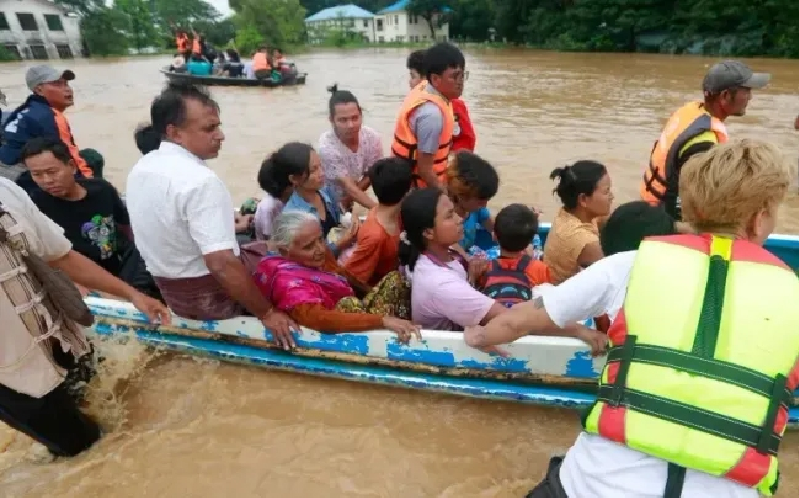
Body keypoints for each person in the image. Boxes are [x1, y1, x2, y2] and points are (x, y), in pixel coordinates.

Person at [466, 139, 798, 498]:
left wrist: (477, 337)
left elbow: (518, 321)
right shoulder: (791, 293)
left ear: (694, 209)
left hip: (594, 487)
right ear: (760, 216)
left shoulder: (632, 264)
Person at [0, 176, 168, 458]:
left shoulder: (7, 191)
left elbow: (62, 256)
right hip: (13, 379)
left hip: (64, 340)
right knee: (82, 449)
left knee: (112, 400)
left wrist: (132, 294)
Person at [125, 82, 297, 349]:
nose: (221, 135)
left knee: (263, 247)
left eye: (218, 125)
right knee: (289, 258)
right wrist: (268, 314)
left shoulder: (141, 168)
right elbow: (220, 263)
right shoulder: (201, 180)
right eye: (209, 128)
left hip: (172, 291)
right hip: (209, 297)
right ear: (175, 133)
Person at [20, 137, 160, 299]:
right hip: (87, 280)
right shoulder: (35, 206)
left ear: (72, 166)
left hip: (122, 266)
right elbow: (41, 257)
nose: (47, 181)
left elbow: (128, 227)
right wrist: (74, 283)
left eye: (52, 172)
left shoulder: (102, 189)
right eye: (37, 175)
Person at [254, 211, 420, 342]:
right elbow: (322, 320)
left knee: (395, 279)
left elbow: (342, 274)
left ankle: (405, 325)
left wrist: (370, 292)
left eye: (320, 239)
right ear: (284, 251)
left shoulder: (317, 254)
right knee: (349, 303)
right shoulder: (289, 286)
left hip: (354, 308)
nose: (320, 249)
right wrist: (382, 321)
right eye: (309, 247)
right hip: (340, 321)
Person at [640, 60, 770, 219]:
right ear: (725, 96)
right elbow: (688, 201)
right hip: (666, 219)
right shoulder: (702, 144)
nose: (750, 97)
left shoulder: (692, 112)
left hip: (653, 208)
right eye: (746, 91)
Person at [399, 187, 506, 331]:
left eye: (454, 211)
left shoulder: (435, 253)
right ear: (428, 232)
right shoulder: (440, 284)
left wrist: (472, 277)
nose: (460, 219)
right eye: (450, 216)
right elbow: (507, 318)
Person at [0, 65, 100, 183]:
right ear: (39, 90)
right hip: (23, 175)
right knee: (93, 159)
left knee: (88, 156)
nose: (67, 89)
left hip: (8, 166)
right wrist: (91, 184)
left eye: (66, 84)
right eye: (58, 84)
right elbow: (67, 155)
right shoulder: (50, 116)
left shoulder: (25, 109)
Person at [391, 42, 465, 188]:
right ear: (435, 79)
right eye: (454, 77)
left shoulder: (424, 87)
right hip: (418, 189)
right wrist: (445, 195)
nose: (460, 82)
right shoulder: (432, 115)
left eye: (463, 75)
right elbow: (425, 170)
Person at [280, 142, 359, 256]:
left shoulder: (326, 192)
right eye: (313, 170)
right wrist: (342, 242)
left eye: (320, 166)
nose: (321, 173)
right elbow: (310, 256)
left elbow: (339, 219)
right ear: (294, 179)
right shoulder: (294, 217)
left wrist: (351, 220)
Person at [344, 157, 413, 286]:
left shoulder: (397, 215)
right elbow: (352, 276)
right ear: (407, 192)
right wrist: (375, 295)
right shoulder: (376, 236)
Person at [543, 160, 613, 284]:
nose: (611, 196)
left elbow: (612, 220)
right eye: (606, 192)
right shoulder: (585, 243)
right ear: (583, 199)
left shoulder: (571, 213)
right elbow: (614, 274)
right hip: (562, 296)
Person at [318, 85, 383, 211]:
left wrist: (349, 200)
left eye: (355, 118)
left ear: (361, 115)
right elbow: (347, 185)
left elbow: (373, 173)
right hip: (329, 200)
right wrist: (378, 210)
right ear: (332, 120)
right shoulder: (327, 147)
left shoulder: (372, 137)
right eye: (343, 120)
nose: (350, 125)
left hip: (353, 194)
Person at [476, 204, 552, 307]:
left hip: (495, 318)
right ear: (530, 241)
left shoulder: (484, 266)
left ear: (494, 236)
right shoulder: (539, 268)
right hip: (524, 319)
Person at [407, 49, 476, 153]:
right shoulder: (414, 104)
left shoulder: (454, 107)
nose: (410, 82)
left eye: (413, 76)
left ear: (428, 78)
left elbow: (466, 142)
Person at [446, 151, 498, 257]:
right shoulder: (444, 219)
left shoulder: (477, 210)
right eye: (480, 201)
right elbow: (451, 245)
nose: (484, 205)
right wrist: (468, 260)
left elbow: (494, 227)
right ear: (461, 194)